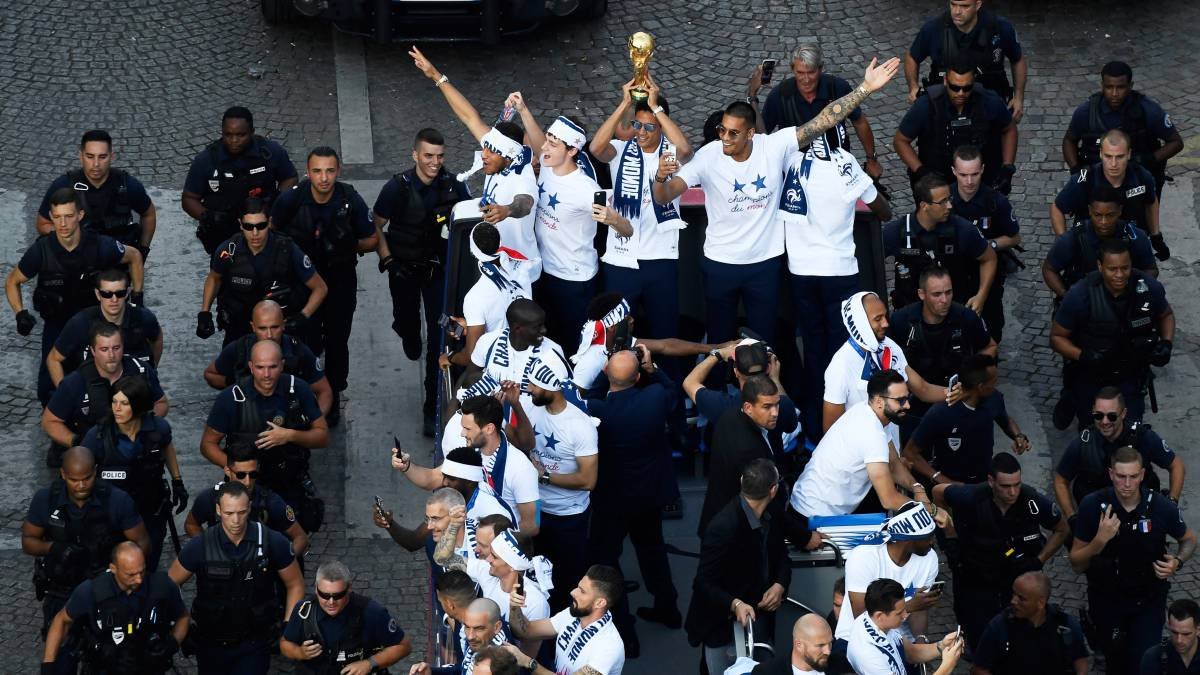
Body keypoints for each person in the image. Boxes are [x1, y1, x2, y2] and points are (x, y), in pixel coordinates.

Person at [652, 56, 901, 343]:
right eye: (722, 130)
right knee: (719, 339)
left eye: (733, 133)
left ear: (751, 133)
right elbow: (665, 196)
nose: (725, 139)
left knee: (764, 341)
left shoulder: (773, 146)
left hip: (765, 265)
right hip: (719, 264)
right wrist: (660, 178)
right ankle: (718, 387)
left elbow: (823, 120)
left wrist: (865, 88)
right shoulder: (708, 156)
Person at [777, 105, 892, 437]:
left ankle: (815, 426)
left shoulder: (792, 162)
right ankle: (843, 425)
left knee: (812, 348)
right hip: (840, 272)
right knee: (842, 352)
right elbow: (882, 211)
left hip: (801, 273)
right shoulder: (846, 164)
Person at [270, 146, 378, 424]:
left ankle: (333, 395)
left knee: (337, 340)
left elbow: (372, 239)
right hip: (302, 283)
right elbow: (272, 232)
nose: (324, 178)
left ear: (338, 171)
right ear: (308, 172)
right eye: (317, 171)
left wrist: (349, 243)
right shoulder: (291, 200)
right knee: (305, 340)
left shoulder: (349, 199)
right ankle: (306, 392)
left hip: (340, 279)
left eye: (330, 170)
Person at [7, 187, 143, 406]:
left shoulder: (99, 245)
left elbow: (134, 256)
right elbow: (12, 282)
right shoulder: (41, 251)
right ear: (50, 216)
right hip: (57, 324)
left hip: (93, 325)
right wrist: (20, 313)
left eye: (68, 217)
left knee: (104, 378)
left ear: (80, 215)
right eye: (57, 217)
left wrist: (137, 297)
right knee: (48, 387)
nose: (62, 224)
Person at [409, 48, 539, 274]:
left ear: (508, 154)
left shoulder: (523, 176)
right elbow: (469, 116)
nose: (483, 155)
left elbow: (525, 203)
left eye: (490, 151)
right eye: (484, 147)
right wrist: (435, 75)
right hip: (495, 262)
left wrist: (507, 209)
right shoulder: (500, 155)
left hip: (520, 271)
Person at [1070, 446, 1197, 675]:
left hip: (1147, 601)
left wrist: (1177, 561)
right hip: (1107, 600)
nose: (1127, 484)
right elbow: (1077, 564)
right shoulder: (1092, 505)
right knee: (1115, 662)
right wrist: (1099, 541)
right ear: (1111, 475)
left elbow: (1188, 540)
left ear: (1142, 475)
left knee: (1144, 663)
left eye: (1132, 476)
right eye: (1120, 476)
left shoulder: (1161, 506)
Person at [22, 446, 150, 669]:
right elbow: (28, 540)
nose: (81, 485)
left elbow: (143, 544)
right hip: (60, 591)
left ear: (96, 472)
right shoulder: (46, 500)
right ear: (63, 474)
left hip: (106, 592)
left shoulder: (117, 501)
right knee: (62, 658)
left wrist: (118, 570)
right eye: (74, 480)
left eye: (87, 478)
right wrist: (54, 548)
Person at [932, 453, 1070, 651]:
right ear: (991, 481)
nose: (1013, 492)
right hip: (976, 575)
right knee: (978, 634)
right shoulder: (972, 497)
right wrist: (949, 536)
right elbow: (938, 493)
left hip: (1013, 577)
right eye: (1006, 486)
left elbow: (1062, 529)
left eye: (1017, 484)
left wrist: (1039, 560)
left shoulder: (1031, 500)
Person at [589, 78, 692, 341]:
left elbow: (686, 149)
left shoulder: (670, 155)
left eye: (649, 127)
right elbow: (596, 147)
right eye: (637, 125)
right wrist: (626, 103)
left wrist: (656, 107)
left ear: (661, 126)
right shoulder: (622, 150)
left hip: (660, 259)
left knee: (665, 332)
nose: (641, 132)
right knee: (617, 336)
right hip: (621, 260)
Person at [790, 370, 942, 546]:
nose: (907, 405)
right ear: (879, 401)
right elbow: (889, 499)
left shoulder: (870, 412)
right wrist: (933, 510)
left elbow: (893, 464)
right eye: (900, 400)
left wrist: (917, 488)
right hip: (816, 519)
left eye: (907, 398)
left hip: (816, 509)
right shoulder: (871, 433)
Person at [168, 481, 305, 675]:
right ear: (218, 510)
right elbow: (169, 586)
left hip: (254, 642)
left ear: (249, 507)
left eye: (241, 512)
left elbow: (295, 584)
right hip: (211, 643)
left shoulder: (271, 540)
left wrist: (288, 626)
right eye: (229, 513)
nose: (236, 520)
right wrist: (181, 622)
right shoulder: (200, 545)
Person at [587, 349, 681, 631]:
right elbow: (671, 390)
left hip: (612, 498)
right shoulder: (654, 398)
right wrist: (652, 367)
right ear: (638, 376)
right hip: (649, 494)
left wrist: (606, 372)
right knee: (653, 551)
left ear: (606, 373)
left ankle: (623, 627)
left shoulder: (598, 410)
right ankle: (669, 609)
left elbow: (592, 393)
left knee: (606, 558)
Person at [200, 339, 329, 530]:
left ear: (282, 365)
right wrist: (236, 469)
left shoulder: (298, 390)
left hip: (288, 483)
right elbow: (207, 445)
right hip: (247, 487)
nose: (266, 374)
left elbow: (322, 436)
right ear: (251, 367)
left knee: (292, 543)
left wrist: (289, 436)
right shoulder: (231, 398)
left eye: (272, 367)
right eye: (260, 367)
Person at [374, 127, 471, 379]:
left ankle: (432, 398)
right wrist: (388, 260)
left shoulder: (453, 186)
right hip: (403, 269)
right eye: (428, 156)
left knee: (440, 335)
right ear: (415, 155)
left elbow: (470, 222)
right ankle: (408, 333)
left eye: (439, 156)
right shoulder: (396, 188)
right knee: (406, 321)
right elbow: (376, 225)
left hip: (438, 273)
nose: (435, 162)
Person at [1051, 239, 1174, 429]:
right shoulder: (1080, 295)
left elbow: (1165, 315)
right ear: (1100, 266)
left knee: (1131, 431)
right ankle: (1070, 398)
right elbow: (1057, 337)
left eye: (1125, 268)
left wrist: (1166, 343)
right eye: (1112, 269)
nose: (1119, 275)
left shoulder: (1148, 288)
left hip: (1131, 375)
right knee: (1093, 432)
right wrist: (1082, 355)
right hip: (1091, 376)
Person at [506, 359, 596, 609]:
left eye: (534, 384)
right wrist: (508, 409)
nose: (529, 389)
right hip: (535, 510)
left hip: (568, 518)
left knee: (566, 582)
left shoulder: (580, 426)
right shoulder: (528, 405)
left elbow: (589, 480)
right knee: (535, 575)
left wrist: (544, 477)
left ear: (550, 387)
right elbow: (521, 443)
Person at [687, 459, 790, 674]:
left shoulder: (773, 514)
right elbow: (704, 582)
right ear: (773, 490)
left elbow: (781, 555)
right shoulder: (723, 527)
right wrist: (735, 604)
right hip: (722, 622)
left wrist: (780, 584)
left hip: (757, 613)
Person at [79, 375, 185, 572]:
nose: (117, 409)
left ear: (138, 405)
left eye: (124, 403)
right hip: (112, 517)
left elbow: (166, 445)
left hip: (150, 509)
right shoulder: (98, 436)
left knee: (149, 561)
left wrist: (177, 480)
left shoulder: (158, 428)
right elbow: (79, 466)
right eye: (114, 402)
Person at [822, 291, 959, 437]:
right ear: (861, 323)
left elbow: (922, 388)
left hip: (891, 446)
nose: (886, 323)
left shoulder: (888, 346)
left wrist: (952, 392)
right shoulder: (840, 367)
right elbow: (831, 431)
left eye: (885, 316)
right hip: (863, 456)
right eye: (878, 319)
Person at [197, 196, 328, 347]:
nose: (254, 233)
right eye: (248, 226)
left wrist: (303, 316)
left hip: (277, 330)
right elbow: (214, 278)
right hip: (240, 327)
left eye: (261, 226)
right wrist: (204, 312)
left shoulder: (288, 250)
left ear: (269, 222)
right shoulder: (228, 250)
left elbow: (320, 287)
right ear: (240, 224)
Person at [41, 542, 187, 675]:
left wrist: (172, 644)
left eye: (142, 571)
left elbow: (183, 617)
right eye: (131, 574)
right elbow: (61, 621)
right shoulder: (91, 591)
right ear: (113, 569)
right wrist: (48, 666)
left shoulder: (162, 587)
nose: (139, 579)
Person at [1063, 60, 1183, 213]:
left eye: (1120, 87)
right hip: (1096, 178)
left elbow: (1176, 142)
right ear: (1102, 85)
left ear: (1130, 86)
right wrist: (1076, 170)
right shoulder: (1087, 111)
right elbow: (1069, 140)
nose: (1114, 93)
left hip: (1136, 180)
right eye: (1109, 87)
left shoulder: (1148, 110)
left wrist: (1148, 159)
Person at [43, 322, 168, 466]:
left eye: (116, 348)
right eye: (104, 349)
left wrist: (144, 425)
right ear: (93, 351)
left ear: (123, 347)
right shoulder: (76, 381)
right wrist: (78, 443)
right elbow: (49, 421)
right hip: (95, 455)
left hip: (136, 449)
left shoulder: (141, 371)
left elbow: (162, 403)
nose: (111, 355)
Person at [1054, 387, 1183, 522]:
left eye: (1111, 416)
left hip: (1139, 515)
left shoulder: (1143, 437)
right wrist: (1072, 517)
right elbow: (1060, 480)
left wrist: (1171, 504)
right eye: (1098, 415)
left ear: (1123, 413)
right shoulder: (1084, 443)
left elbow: (1176, 466)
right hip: (1098, 519)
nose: (1104, 422)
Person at [759, 42, 884, 180]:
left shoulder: (838, 88)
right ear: (792, 69)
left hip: (838, 172)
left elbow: (859, 122)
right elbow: (762, 137)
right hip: (796, 176)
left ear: (820, 69)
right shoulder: (779, 95)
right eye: (800, 73)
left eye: (811, 72)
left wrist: (871, 159)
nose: (806, 79)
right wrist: (752, 97)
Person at [887, 267, 996, 426]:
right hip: (914, 404)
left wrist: (972, 378)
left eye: (949, 292)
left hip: (958, 402)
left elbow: (990, 347)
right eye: (936, 294)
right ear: (921, 294)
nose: (944, 300)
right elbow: (887, 362)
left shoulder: (966, 318)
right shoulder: (901, 321)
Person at [182, 106, 298, 254]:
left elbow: (290, 177)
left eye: (241, 135)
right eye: (228, 135)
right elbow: (189, 198)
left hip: (263, 228)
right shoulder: (206, 160)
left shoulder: (270, 152)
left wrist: (277, 204)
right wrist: (209, 217)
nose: (234, 140)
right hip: (224, 233)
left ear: (252, 132)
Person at [894, 60, 1017, 195]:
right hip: (938, 179)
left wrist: (1007, 167)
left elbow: (1009, 129)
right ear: (945, 81)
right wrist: (922, 172)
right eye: (955, 87)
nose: (960, 93)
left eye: (967, 88)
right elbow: (900, 141)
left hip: (980, 180)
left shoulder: (989, 101)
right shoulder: (926, 105)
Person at [833, 502, 941, 654]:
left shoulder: (929, 558)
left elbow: (919, 608)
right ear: (908, 539)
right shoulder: (863, 557)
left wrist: (921, 640)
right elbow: (863, 616)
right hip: (856, 640)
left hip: (901, 642)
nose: (932, 542)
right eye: (928, 537)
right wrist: (908, 606)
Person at [903, 354, 1028, 485]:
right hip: (949, 486)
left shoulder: (993, 398)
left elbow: (1006, 420)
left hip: (984, 481)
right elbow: (910, 453)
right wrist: (942, 479)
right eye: (993, 381)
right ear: (980, 387)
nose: (996, 383)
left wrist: (1018, 435)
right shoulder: (941, 412)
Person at [882, 173, 997, 312]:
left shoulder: (963, 229)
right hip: (910, 311)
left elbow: (989, 258)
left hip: (952, 309)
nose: (949, 206)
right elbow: (869, 264)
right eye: (942, 202)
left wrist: (981, 296)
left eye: (949, 199)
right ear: (924, 205)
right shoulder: (896, 232)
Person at [698, 375, 794, 536]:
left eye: (777, 405)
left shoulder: (730, 416)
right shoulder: (749, 450)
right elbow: (766, 502)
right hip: (737, 534)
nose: (775, 413)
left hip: (720, 518)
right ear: (749, 407)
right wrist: (804, 538)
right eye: (767, 407)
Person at [280, 560, 412, 674]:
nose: (331, 602)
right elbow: (285, 644)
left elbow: (403, 646)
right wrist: (299, 652)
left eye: (338, 595)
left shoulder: (371, 612)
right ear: (316, 589)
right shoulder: (304, 611)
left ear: (349, 588)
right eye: (324, 595)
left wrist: (369, 664)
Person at [204, 299, 333, 417]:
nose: (269, 335)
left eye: (274, 327)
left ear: (283, 325)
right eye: (262, 328)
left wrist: (314, 423)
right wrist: (236, 382)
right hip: (249, 420)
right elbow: (210, 374)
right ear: (253, 327)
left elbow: (324, 391)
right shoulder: (240, 349)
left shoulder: (298, 351)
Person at [36, 129, 157, 253]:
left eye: (102, 157)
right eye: (90, 156)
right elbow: (43, 223)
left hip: (114, 259)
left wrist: (142, 251)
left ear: (112, 156)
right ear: (81, 156)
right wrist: (72, 236)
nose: (96, 164)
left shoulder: (127, 186)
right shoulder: (64, 185)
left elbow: (149, 214)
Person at [441, 222, 537, 373]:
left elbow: (471, 356)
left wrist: (449, 357)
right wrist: (471, 324)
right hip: (528, 359)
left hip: (498, 370)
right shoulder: (522, 269)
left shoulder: (475, 297)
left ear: (473, 251)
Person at [186, 444, 310, 559]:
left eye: (253, 474)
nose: (247, 481)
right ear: (228, 471)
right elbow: (191, 525)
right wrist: (210, 550)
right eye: (240, 475)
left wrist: (283, 562)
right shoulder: (209, 498)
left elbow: (300, 537)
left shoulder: (269, 501)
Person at [948, 144, 1020, 341]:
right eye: (963, 175)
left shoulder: (995, 201)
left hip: (988, 273)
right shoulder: (944, 200)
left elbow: (1014, 237)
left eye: (975, 174)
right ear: (954, 171)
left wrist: (988, 246)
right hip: (953, 273)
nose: (969, 181)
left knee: (992, 326)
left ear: (983, 170)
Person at [47, 267, 162, 387]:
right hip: (94, 388)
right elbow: (53, 359)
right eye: (106, 294)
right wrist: (66, 394)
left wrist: (151, 369)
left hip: (133, 389)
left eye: (120, 293)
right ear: (98, 294)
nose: (114, 299)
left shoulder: (143, 317)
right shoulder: (81, 323)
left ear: (127, 293)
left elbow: (157, 338)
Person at [904, 0, 1027, 112]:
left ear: (978, 5)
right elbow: (912, 57)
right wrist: (913, 87)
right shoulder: (933, 28)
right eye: (953, 4)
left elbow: (1017, 59)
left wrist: (1018, 98)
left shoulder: (1000, 27)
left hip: (989, 105)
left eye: (964, 6)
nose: (956, 12)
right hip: (944, 106)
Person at [1043, 185, 1158, 303]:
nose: (1104, 222)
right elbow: (1049, 269)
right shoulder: (1073, 238)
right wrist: (1067, 296)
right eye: (1098, 215)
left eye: (1110, 215)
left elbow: (1151, 269)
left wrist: (1135, 291)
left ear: (1120, 211)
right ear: (1089, 211)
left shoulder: (1135, 236)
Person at [507, 564, 627, 675]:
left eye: (582, 591)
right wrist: (514, 607)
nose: (573, 592)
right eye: (578, 587)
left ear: (600, 603)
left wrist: (529, 663)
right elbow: (525, 631)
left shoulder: (609, 647)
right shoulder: (572, 614)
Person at [462, 299, 572, 415]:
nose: (544, 330)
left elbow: (564, 398)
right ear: (517, 328)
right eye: (537, 327)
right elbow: (470, 377)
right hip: (491, 419)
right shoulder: (488, 341)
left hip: (535, 423)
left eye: (543, 324)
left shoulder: (553, 351)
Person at [1051, 129, 1160, 245]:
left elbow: (1151, 201)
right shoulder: (1086, 180)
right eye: (1108, 156)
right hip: (1092, 244)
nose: (1113, 164)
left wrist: (1156, 235)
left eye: (1120, 157)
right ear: (1101, 153)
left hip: (1129, 243)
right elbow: (1057, 208)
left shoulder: (1141, 176)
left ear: (1129, 154)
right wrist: (1064, 243)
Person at [971, 572, 1090, 675]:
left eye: (1021, 598)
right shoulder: (999, 626)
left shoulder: (1065, 625)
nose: (1013, 601)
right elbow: (980, 669)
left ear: (1040, 603)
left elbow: (1080, 659)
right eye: (1013, 594)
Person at [462, 527, 552, 657]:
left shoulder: (536, 603)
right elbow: (444, 560)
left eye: (495, 556)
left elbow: (528, 657)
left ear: (512, 566)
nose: (488, 559)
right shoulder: (487, 571)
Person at [846, 578, 963, 675]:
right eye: (899, 613)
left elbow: (910, 652)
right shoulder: (870, 657)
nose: (905, 614)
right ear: (880, 615)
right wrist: (947, 666)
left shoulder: (878, 622)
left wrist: (941, 646)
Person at [412, 597, 509, 675]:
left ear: (496, 627)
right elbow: (463, 668)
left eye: (479, 628)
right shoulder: (481, 642)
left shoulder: (500, 662)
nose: (470, 636)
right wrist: (432, 671)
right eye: (467, 627)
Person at [751, 613, 835, 675]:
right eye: (820, 645)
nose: (828, 651)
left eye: (830, 643)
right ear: (799, 645)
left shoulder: (839, 665)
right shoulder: (766, 672)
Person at [1139, 599, 1200, 675]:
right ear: (1169, 626)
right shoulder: (1153, 657)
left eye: (1186, 634)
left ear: (1198, 630)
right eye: (1174, 632)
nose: (1179, 640)